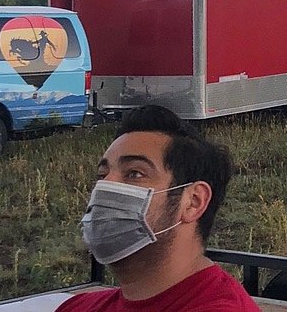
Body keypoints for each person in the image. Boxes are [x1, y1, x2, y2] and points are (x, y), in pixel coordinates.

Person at [58, 105, 259, 311]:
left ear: (194, 201)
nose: (105, 187)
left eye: (134, 173)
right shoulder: (78, 306)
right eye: (102, 175)